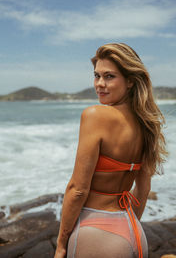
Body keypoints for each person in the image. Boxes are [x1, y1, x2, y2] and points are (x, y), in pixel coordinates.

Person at [54, 43, 167, 258]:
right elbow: (142, 190)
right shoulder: (146, 125)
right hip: (132, 229)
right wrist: (124, 232)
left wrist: (61, 244)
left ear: (131, 81)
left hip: (96, 234)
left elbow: (77, 189)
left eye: (109, 77)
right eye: (96, 76)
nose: (100, 84)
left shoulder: (95, 116)